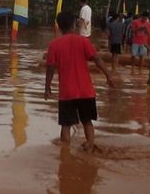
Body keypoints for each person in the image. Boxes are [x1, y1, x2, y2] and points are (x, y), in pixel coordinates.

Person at [45, 11, 114, 148]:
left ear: (58, 26)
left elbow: (50, 68)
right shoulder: (84, 41)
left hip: (67, 93)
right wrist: (108, 75)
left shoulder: (54, 45)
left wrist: (47, 87)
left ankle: (65, 157)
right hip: (86, 91)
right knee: (87, 122)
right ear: (74, 24)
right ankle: (90, 146)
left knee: (66, 125)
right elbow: (97, 59)